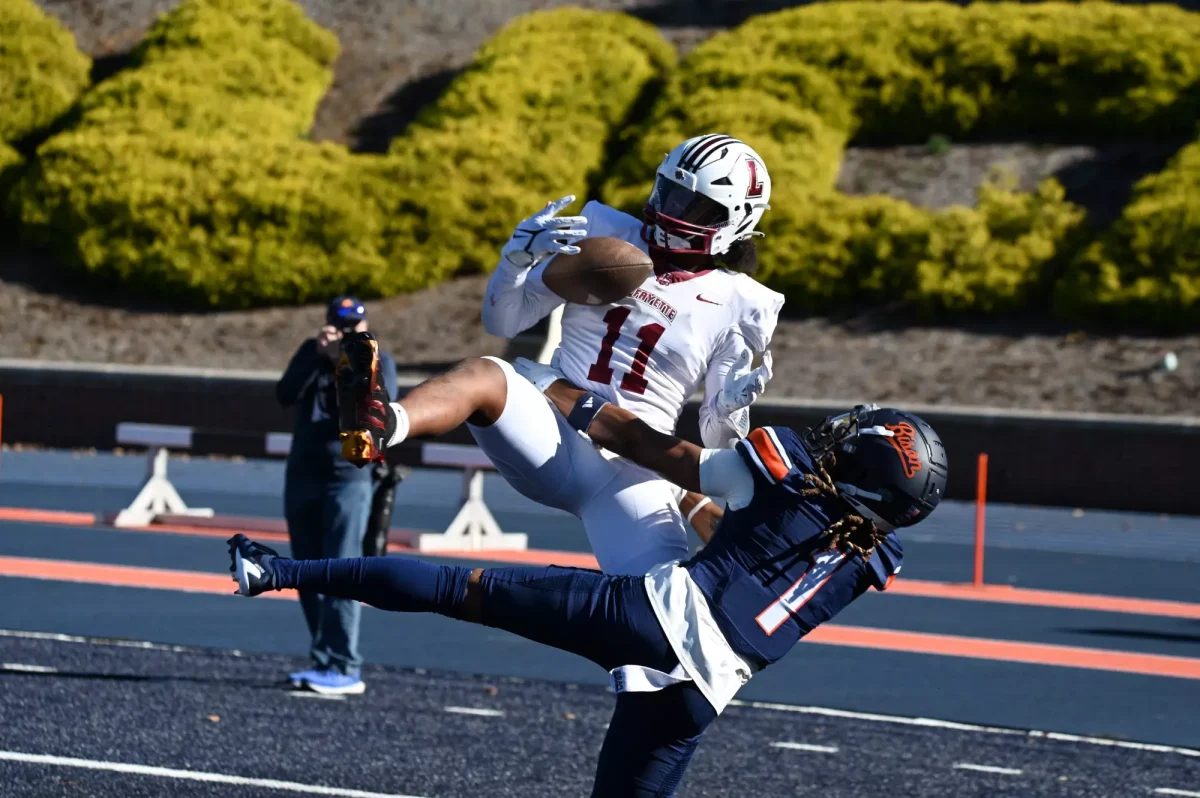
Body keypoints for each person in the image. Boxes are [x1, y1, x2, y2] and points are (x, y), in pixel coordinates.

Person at [229, 363, 949, 796]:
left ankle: (277, 569)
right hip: (705, 693)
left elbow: (639, 443)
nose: (832, 439)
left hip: (647, 618)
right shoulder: (868, 561)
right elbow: (756, 554)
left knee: (459, 589)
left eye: (850, 442)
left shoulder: (778, 472)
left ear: (865, 469)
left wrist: (554, 388)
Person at [341, 133, 785, 575]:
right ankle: (382, 423)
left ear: (734, 221)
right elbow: (504, 323)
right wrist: (514, 262)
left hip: (629, 467)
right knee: (485, 374)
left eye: (693, 206)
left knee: (658, 602)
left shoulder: (742, 303)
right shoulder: (611, 236)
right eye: (669, 192)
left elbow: (716, 444)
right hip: (550, 421)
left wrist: (731, 409)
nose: (671, 211)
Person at [274, 295, 398, 695]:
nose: (346, 333)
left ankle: (345, 664)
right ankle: (322, 659)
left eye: (353, 327)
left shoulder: (374, 357)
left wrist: (342, 358)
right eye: (339, 326)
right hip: (303, 474)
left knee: (342, 569)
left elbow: (375, 405)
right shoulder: (311, 353)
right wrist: (318, 356)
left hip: (348, 476)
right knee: (306, 571)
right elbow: (285, 393)